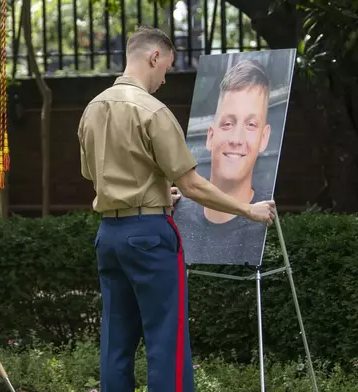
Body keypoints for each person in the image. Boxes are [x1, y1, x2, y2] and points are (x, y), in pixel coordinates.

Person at [77, 26, 275, 392]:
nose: (165, 79)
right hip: (149, 237)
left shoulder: (93, 108)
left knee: (115, 344)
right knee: (167, 342)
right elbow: (192, 184)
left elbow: (95, 174)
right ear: (154, 57)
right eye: (166, 68)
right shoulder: (153, 111)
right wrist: (248, 211)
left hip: (109, 235)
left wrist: (150, 191)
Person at [173, 59, 273, 266]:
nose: (237, 139)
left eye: (251, 124)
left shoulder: (266, 215)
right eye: (228, 124)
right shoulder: (179, 210)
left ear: (264, 139)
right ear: (210, 136)